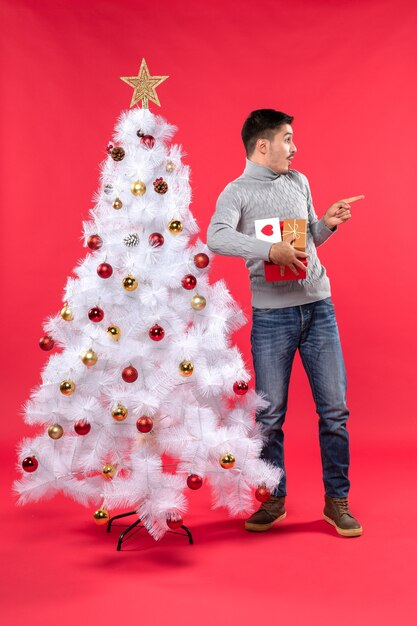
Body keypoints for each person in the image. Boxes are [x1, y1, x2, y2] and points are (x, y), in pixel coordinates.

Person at [207, 109, 364, 537]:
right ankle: (274, 498)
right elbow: (216, 236)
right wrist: (268, 250)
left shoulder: (300, 181)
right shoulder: (235, 192)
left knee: (335, 410)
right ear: (264, 145)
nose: (295, 148)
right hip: (272, 317)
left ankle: (336, 501)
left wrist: (326, 224)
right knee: (271, 414)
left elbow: (308, 238)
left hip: (319, 309)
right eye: (288, 139)